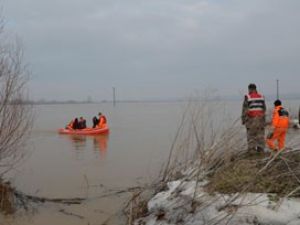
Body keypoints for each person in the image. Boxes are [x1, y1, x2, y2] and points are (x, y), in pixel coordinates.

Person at [241, 83, 266, 152]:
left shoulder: (247, 97)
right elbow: (264, 109)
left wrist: (243, 120)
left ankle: (252, 150)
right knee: (260, 135)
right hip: (260, 120)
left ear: (249, 89)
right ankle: (260, 149)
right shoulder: (261, 97)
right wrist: (264, 120)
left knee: (251, 135)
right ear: (255, 89)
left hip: (251, 120)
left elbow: (245, 109)